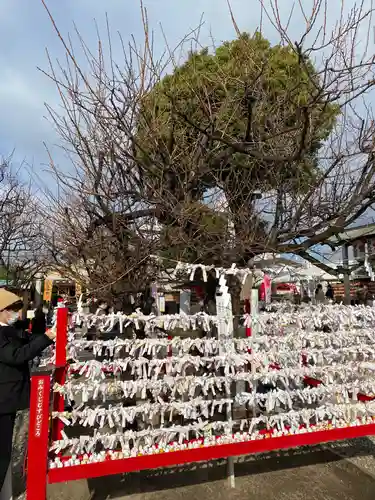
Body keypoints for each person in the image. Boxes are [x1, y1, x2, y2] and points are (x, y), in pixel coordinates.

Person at [0, 289, 55, 498]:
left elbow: (28, 340)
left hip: (11, 397)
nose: (18, 313)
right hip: (3, 400)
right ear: (3, 311)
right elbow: (16, 355)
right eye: (13, 309)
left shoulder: (10, 330)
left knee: (9, 449)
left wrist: (45, 338)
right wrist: (47, 338)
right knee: (3, 452)